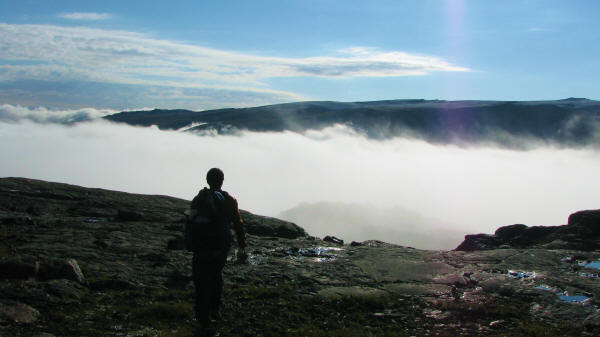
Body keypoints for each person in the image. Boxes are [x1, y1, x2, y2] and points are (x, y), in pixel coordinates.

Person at [188, 168, 246, 328]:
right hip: (220, 245)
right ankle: (214, 309)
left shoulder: (198, 198)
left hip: (200, 246)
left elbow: (190, 219)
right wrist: (242, 243)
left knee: (200, 279)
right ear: (222, 180)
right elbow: (238, 223)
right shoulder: (228, 200)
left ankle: (202, 315)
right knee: (215, 275)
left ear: (207, 180)